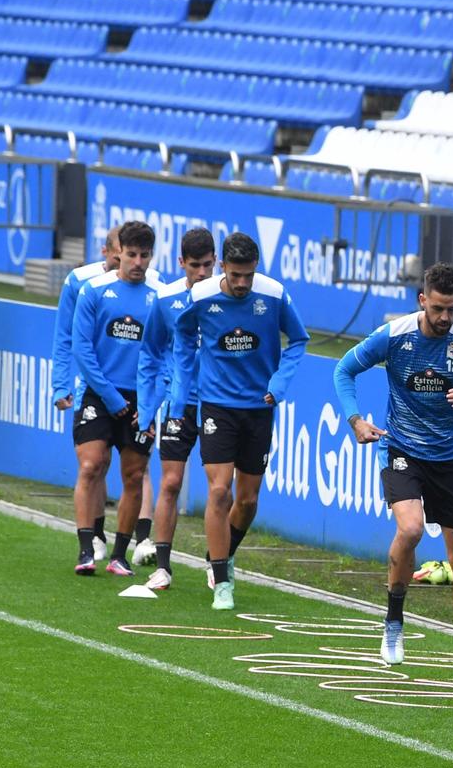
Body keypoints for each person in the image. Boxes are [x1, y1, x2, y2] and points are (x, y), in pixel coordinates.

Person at [335, 263, 453, 685]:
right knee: (409, 530)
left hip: (452, 458)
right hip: (402, 448)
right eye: (439, 308)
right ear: (423, 300)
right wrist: (355, 420)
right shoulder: (395, 335)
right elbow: (344, 370)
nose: (446, 318)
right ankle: (393, 622)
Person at [175, 231, 309, 612]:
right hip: (216, 404)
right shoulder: (201, 296)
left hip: (259, 406)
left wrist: (279, 383)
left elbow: (298, 339)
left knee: (248, 500)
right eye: (235, 275)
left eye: (248, 275)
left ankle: (223, 553)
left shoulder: (273, 294)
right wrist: (188, 380)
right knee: (220, 491)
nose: (241, 283)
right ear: (222, 267)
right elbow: (182, 335)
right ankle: (221, 580)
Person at [69, 219, 159, 577]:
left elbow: (165, 354)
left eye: (145, 255)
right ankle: (86, 548)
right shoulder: (93, 290)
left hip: (140, 399)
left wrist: (150, 405)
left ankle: (120, 556)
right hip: (100, 393)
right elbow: (82, 348)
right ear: (117, 252)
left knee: (134, 475)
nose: (137, 262)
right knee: (91, 464)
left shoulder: (159, 296)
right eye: (132, 254)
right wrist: (109, 396)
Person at [132, 226, 216, 591]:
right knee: (170, 482)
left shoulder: (226, 296)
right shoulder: (165, 300)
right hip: (179, 406)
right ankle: (163, 566)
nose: (201, 273)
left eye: (208, 265)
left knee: (220, 489)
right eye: (195, 265)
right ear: (181, 262)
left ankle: (217, 564)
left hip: (219, 404)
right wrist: (147, 408)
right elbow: (150, 352)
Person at [52, 228, 121, 552]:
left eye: (135, 256)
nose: (127, 264)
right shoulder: (81, 282)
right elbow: (65, 338)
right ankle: (94, 535)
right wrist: (61, 385)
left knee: (131, 469)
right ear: (105, 251)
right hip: (90, 387)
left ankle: (137, 539)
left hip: (131, 390)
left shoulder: (151, 285)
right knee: (94, 461)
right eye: (119, 257)